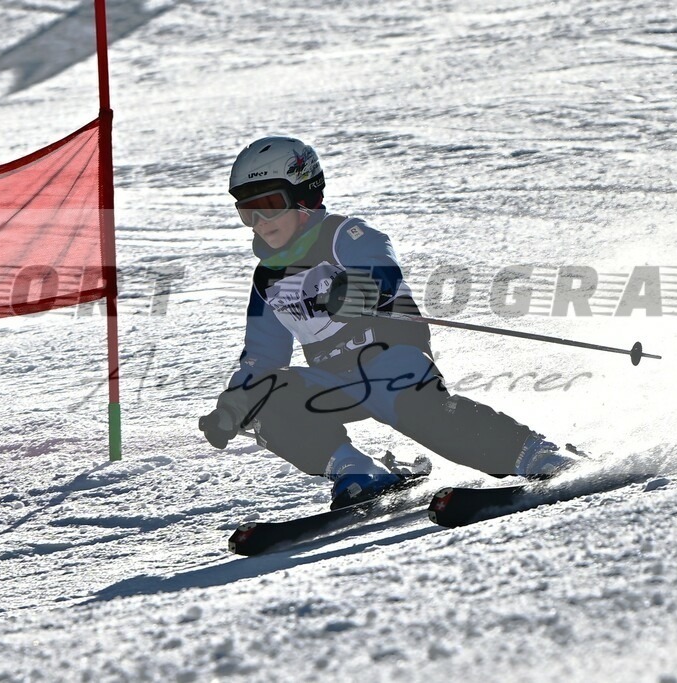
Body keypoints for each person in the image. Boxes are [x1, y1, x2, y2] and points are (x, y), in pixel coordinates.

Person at [199, 136, 577, 509]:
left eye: (269, 204)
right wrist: (234, 405)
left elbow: (382, 271)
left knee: (427, 418)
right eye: (249, 211)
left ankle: (536, 455)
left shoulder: (344, 235)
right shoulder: (267, 279)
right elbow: (262, 358)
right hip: (333, 380)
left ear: (306, 196)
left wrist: (358, 290)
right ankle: (359, 475)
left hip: (390, 359)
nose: (260, 222)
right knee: (266, 400)